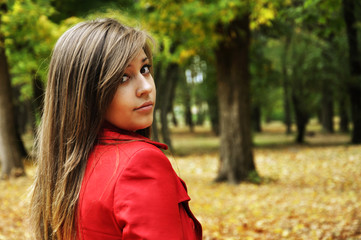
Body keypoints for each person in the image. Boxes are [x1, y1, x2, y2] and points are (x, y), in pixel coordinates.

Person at [29, 18, 202, 240]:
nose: (146, 87)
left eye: (145, 69)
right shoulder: (141, 164)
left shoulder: (65, 169)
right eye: (123, 77)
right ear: (86, 93)